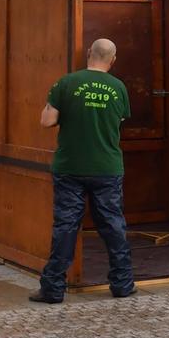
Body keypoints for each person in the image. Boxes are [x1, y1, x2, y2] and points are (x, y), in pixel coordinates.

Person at [30, 38, 135, 304]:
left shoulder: (66, 83)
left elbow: (47, 121)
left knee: (66, 226)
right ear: (113, 59)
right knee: (113, 225)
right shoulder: (119, 87)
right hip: (107, 167)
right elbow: (119, 120)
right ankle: (122, 284)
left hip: (71, 167)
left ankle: (53, 289)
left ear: (89, 53)